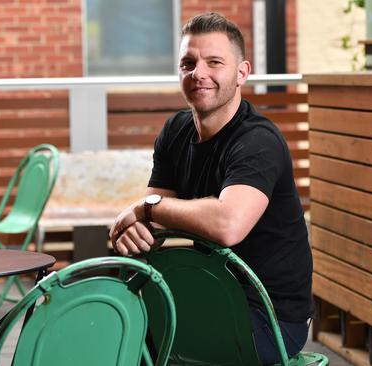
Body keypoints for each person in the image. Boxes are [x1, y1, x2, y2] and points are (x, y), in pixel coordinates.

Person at [109, 12, 313, 364]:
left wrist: (144, 210)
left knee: (154, 349)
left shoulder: (257, 141)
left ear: (242, 72)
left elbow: (227, 225)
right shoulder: (175, 130)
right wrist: (136, 230)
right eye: (188, 63)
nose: (198, 73)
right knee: (114, 333)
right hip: (205, 293)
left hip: (271, 315)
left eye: (213, 62)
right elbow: (156, 218)